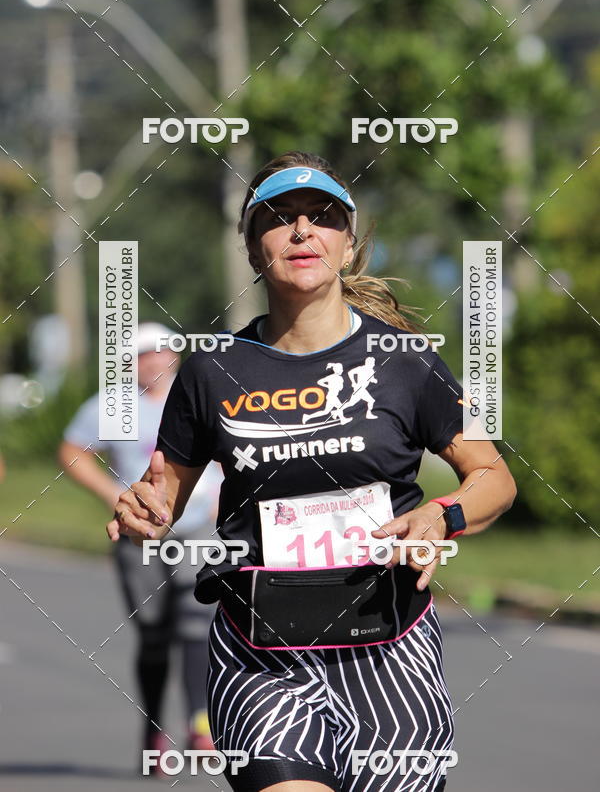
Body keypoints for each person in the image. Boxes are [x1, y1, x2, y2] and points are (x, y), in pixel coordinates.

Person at [107, 151, 517, 792]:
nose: (302, 229)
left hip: (390, 649)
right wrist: (144, 513)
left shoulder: (404, 361)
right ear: (252, 248)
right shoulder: (213, 370)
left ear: (347, 245)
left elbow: (493, 476)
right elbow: (164, 498)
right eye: (279, 217)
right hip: (262, 654)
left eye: (322, 216)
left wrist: (441, 514)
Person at [58, 323, 221, 771]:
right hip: (140, 534)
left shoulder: (199, 396)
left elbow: (236, 447)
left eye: (162, 351)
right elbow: (72, 451)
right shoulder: (114, 406)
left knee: (197, 622)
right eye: (144, 354)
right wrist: (114, 495)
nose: (154, 360)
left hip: (196, 528)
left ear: (175, 355)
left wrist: (224, 492)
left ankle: (200, 724)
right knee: (153, 633)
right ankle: (154, 731)